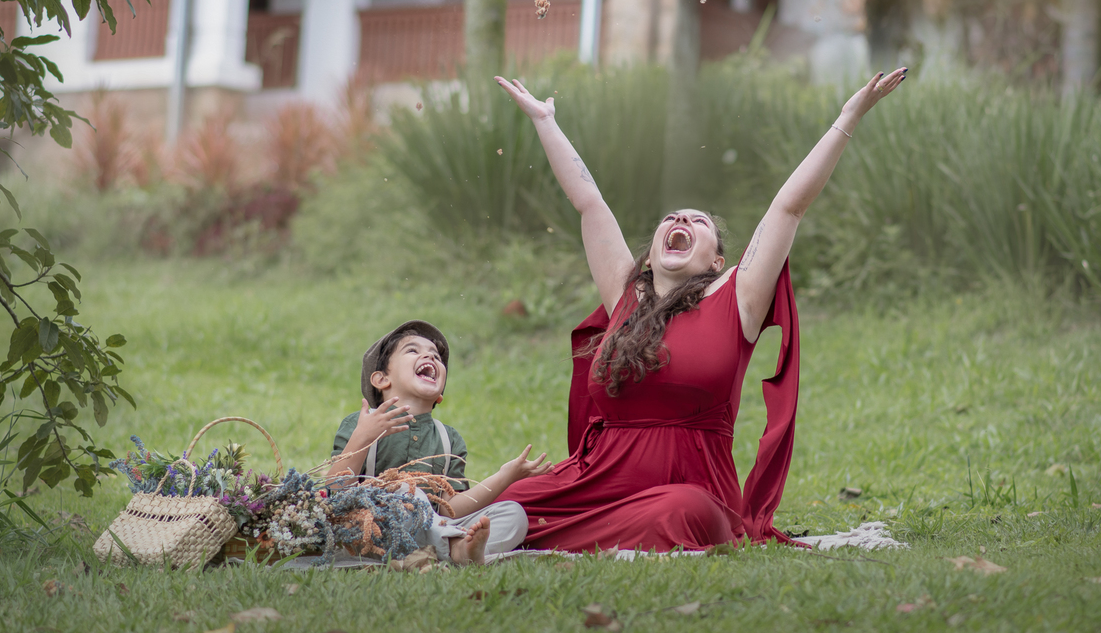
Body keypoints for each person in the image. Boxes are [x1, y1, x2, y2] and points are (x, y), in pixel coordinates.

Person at [491, 68, 909, 552]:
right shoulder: (624, 295)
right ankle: (524, 529)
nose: (680, 218)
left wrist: (849, 115)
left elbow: (788, 208)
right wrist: (545, 120)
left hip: (691, 493)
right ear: (650, 256)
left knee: (679, 513)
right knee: (514, 496)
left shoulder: (740, 298)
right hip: (594, 483)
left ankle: (528, 539)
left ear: (717, 260)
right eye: (671, 218)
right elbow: (589, 203)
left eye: (698, 220)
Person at [327, 320, 552, 564]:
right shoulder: (360, 423)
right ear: (381, 379)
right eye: (413, 350)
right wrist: (364, 436)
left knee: (514, 514)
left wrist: (504, 476)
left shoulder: (449, 439)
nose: (429, 356)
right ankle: (456, 550)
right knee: (405, 492)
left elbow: (449, 508)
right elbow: (337, 490)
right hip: (374, 531)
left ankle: (452, 548)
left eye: (435, 355)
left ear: (441, 393)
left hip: (433, 528)